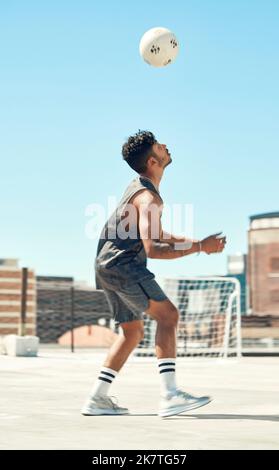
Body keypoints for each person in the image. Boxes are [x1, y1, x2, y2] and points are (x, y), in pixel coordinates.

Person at [81, 130, 226, 418]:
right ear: (153, 161)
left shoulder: (137, 188)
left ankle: (97, 398)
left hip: (105, 265)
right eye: (160, 146)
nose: (166, 146)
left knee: (132, 333)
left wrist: (199, 244)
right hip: (124, 265)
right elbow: (154, 248)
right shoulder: (148, 198)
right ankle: (170, 395)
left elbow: (158, 233)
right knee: (168, 316)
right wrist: (199, 247)